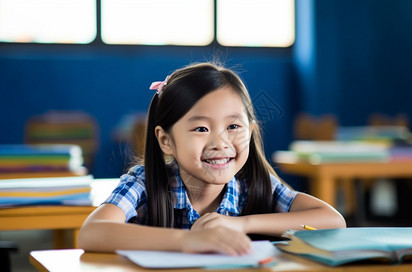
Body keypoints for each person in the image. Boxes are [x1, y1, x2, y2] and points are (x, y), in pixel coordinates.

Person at [79, 62, 346, 255]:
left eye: (233, 127)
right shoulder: (144, 183)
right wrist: (187, 241)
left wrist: (242, 224)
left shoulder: (254, 185)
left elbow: (333, 221)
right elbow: (91, 233)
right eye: (201, 129)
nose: (220, 143)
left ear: (250, 132)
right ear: (166, 140)